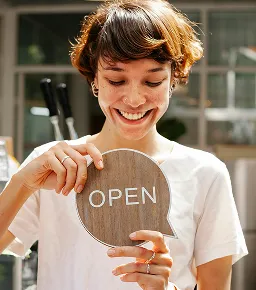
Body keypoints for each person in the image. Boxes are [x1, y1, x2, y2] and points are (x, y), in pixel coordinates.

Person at [0, 0, 248, 289]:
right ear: (94, 79)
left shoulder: (205, 173)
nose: (134, 99)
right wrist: (23, 182)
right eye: (116, 80)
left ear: (174, 79)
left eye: (152, 82)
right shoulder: (54, 165)